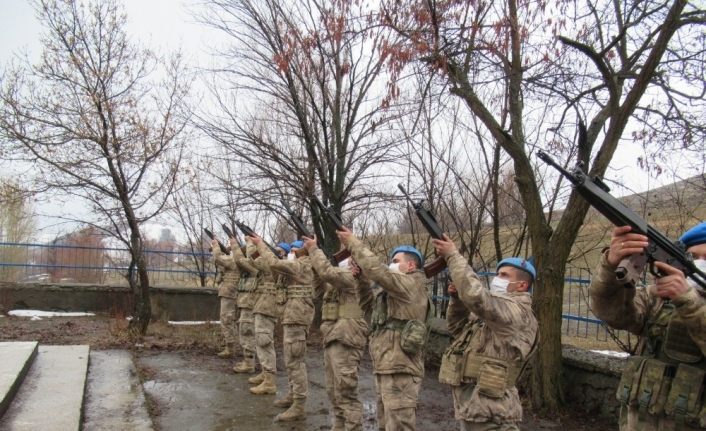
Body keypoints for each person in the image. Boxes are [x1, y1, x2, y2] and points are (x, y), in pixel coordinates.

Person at [589, 223, 706, 430]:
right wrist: (610, 267)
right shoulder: (659, 298)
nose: (701, 263)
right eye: (694, 256)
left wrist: (689, 302)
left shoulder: (680, 299)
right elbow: (612, 313)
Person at [432, 235, 538, 431]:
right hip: (476, 408)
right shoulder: (495, 313)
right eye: (498, 273)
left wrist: (453, 256)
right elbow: (458, 329)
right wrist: (456, 301)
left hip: (495, 415)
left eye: (505, 275)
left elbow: (477, 297)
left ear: (522, 285)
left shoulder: (517, 312)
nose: (497, 278)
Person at [337, 227, 429, 431]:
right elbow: (368, 310)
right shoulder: (391, 293)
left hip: (401, 369)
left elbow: (378, 271)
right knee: (384, 424)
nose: (391, 265)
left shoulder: (412, 284)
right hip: (385, 366)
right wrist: (360, 279)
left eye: (396, 261)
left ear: (411, 265)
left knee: (399, 426)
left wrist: (352, 242)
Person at [303, 235, 372, 431]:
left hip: (347, 338)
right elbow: (318, 291)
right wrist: (316, 271)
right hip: (333, 336)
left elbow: (328, 273)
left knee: (346, 391)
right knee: (333, 391)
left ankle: (352, 427)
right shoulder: (337, 282)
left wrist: (314, 250)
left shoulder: (354, 277)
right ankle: (339, 426)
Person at [252, 236, 315, 422]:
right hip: (291, 317)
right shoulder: (297, 266)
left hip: (297, 318)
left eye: (292, 252)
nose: (290, 255)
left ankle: (299, 404)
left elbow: (272, 262)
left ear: (300, 252)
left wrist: (260, 244)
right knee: (290, 360)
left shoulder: (304, 264)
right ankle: (292, 395)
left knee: (295, 361)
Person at [245, 240, 290, 394]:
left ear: (283, 253)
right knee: (260, 340)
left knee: (264, 341)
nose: (271, 253)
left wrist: (252, 243)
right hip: (262, 304)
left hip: (268, 307)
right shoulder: (274, 263)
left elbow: (257, 261)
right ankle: (265, 373)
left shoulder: (278, 265)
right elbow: (254, 260)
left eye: (276, 250)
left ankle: (270, 381)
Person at [230, 238, 259, 374]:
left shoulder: (254, 265)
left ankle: (249, 364)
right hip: (245, 302)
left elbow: (239, 260)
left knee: (247, 332)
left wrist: (235, 245)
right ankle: (248, 361)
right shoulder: (251, 266)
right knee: (245, 331)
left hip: (249, 303)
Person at [210, 239, 239, 359]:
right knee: (228, 319)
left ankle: (230, 348)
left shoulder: (234, 260)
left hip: (229, 292)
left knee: (226, 318)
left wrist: (216, 246)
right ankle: (230, 345)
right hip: (230, 291)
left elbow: (217, 258)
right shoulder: (234, 260)